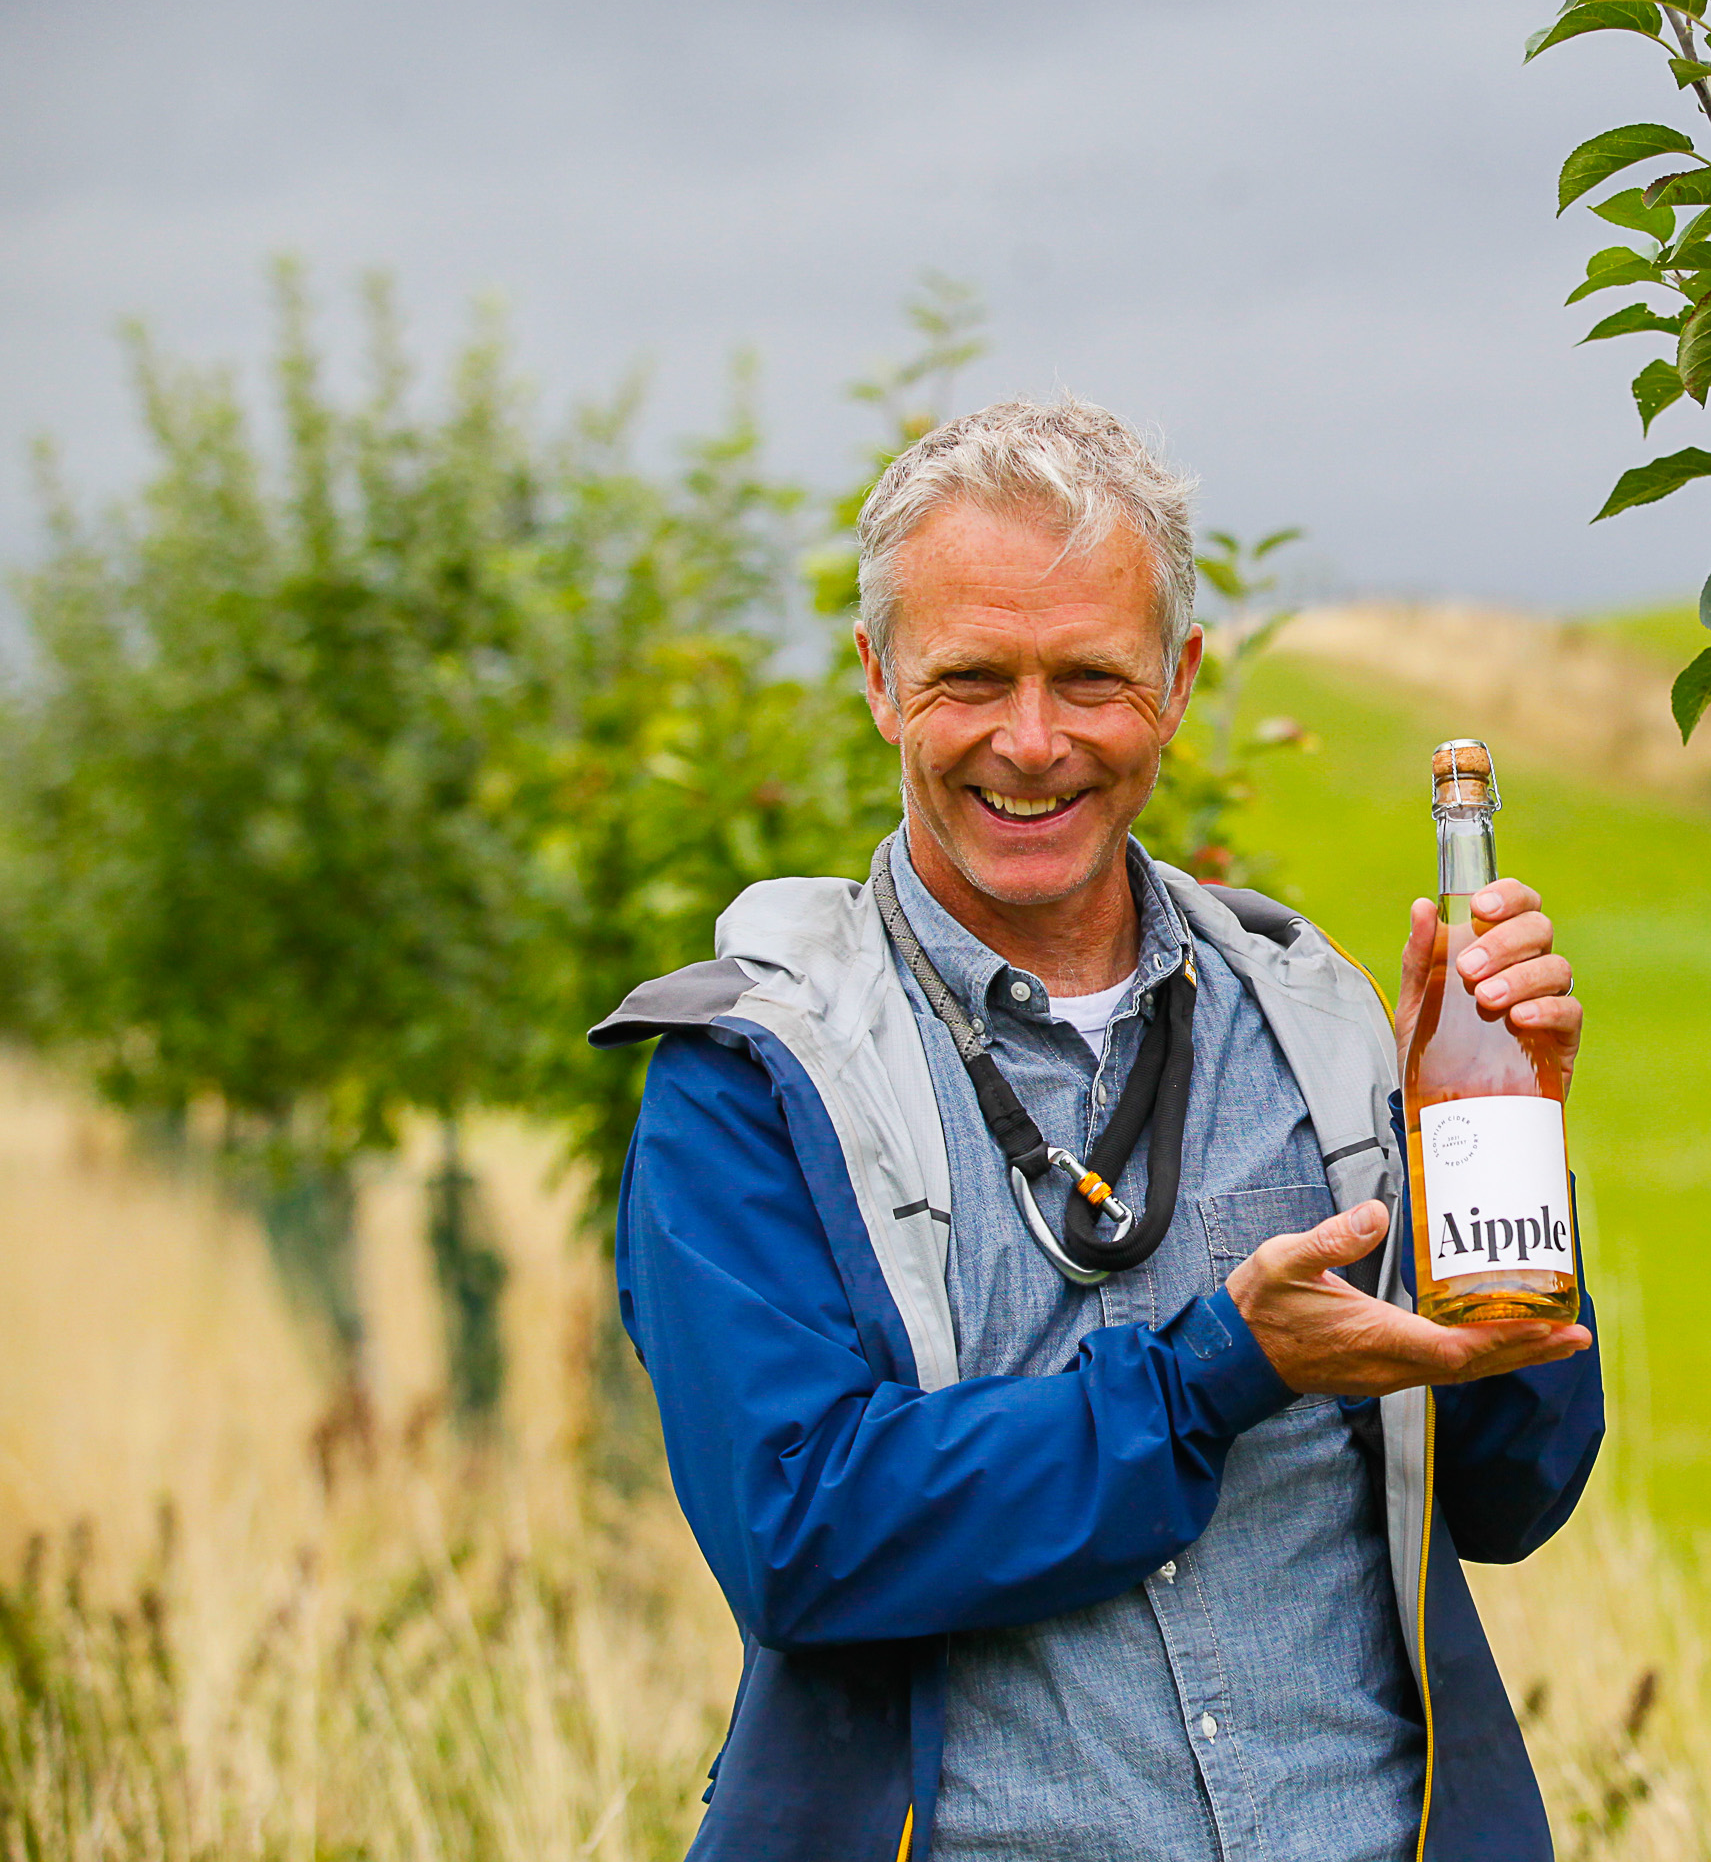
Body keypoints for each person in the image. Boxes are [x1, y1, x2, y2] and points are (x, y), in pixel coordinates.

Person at [590, 399, 1603, 1862]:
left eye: (1090, 678)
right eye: (972, 677)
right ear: (878, 679)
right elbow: (799, 1538)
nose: (1032, 740)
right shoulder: (752, 1078)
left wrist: (1505, 1137)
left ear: (1181, 682)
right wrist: (1213, 1379)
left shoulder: (1313, 1023)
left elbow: (1517, 1484)